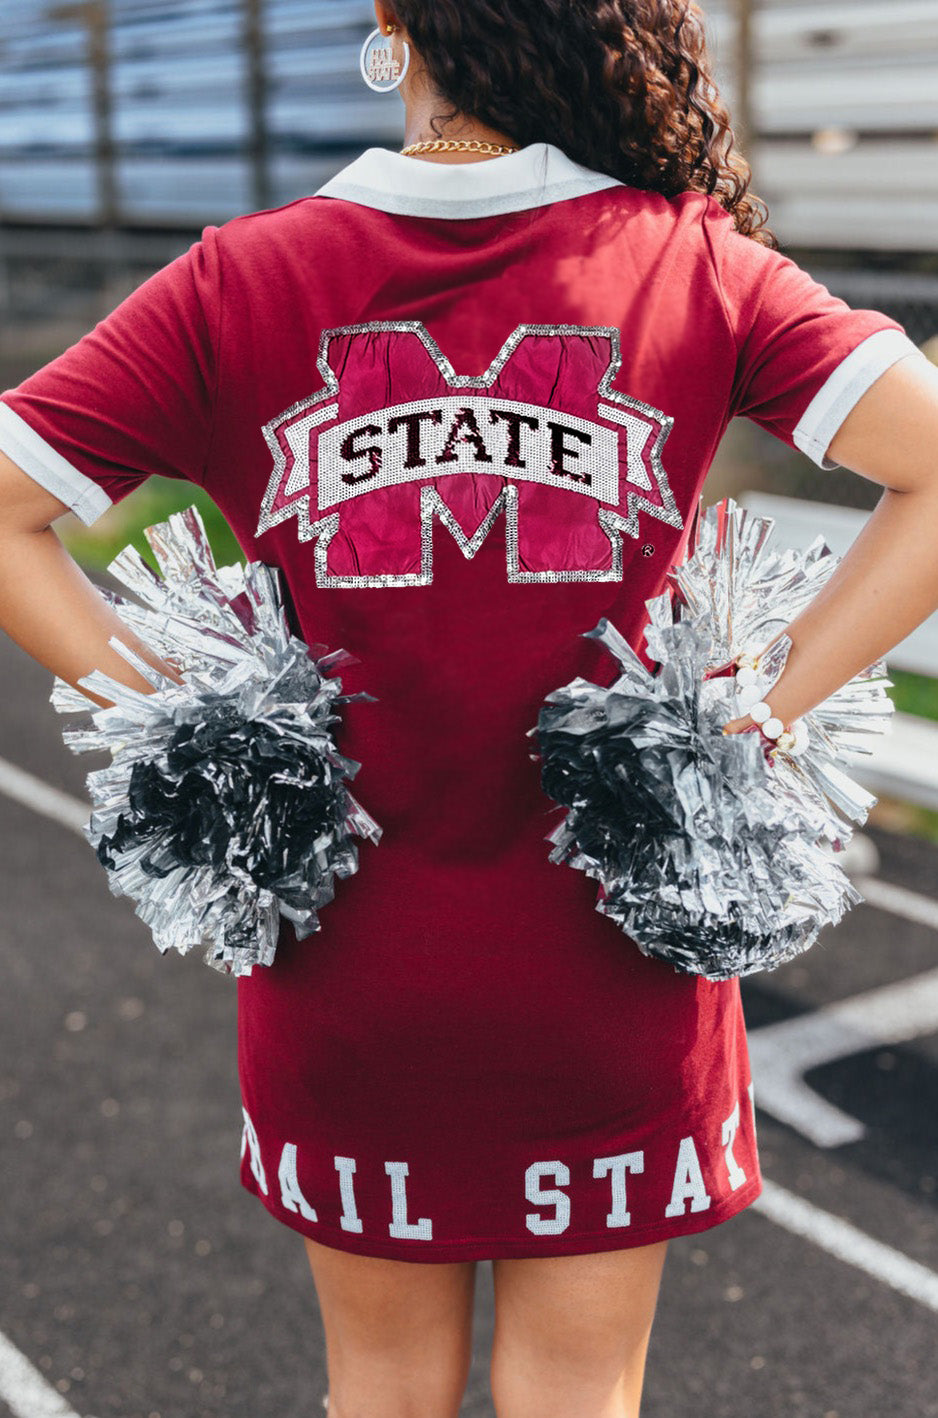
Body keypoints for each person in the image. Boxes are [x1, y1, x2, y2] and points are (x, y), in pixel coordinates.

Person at [1, 3, 937, 1415]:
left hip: (348, 980)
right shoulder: (690, 260)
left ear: (393, 23)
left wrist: (195, 721)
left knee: (377, 1388)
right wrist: (749, 714)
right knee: (576, 1394)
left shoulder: (238, 279)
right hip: (618, 977)